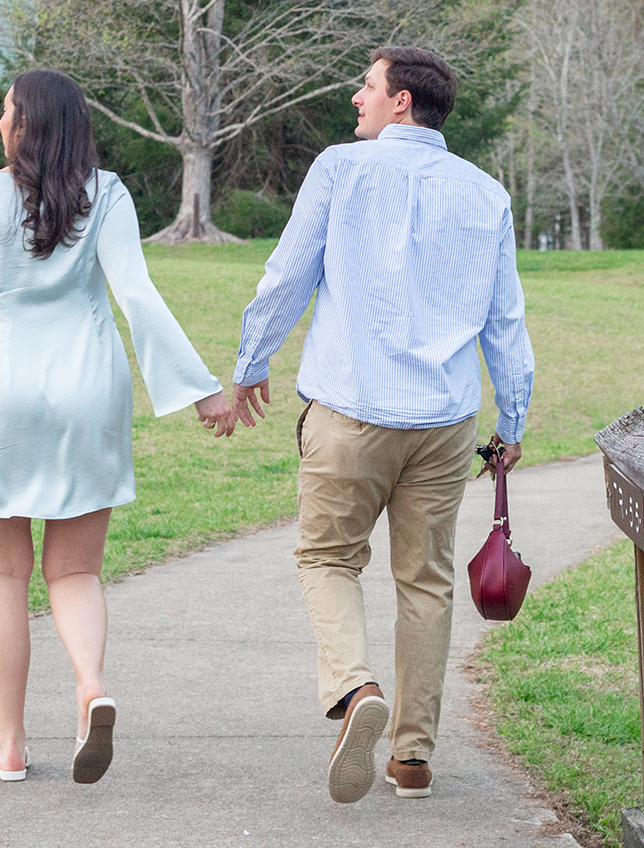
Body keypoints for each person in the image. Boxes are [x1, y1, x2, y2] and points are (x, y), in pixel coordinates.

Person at [0, 69, 230, 785]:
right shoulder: (105, 195)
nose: (1, 122)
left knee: (3, 574)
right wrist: (200, 390)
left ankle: (12, 745)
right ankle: (89, 685)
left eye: (8, 111)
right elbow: (135, 292)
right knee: (75, 571)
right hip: (87, 394)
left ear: (27, 124)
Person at [220, 45, 535, 804]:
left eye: (366, 86)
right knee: (425, 581)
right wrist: (514, 417)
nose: (354, 98)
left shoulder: (339, 169)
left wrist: (250, 361)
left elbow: (288, 273)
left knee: (327, 559)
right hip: (446, 422)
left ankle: (356, 690)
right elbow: (506, 319)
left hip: (352, 410)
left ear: (402, 102)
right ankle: (414, 758)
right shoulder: (486, 193)